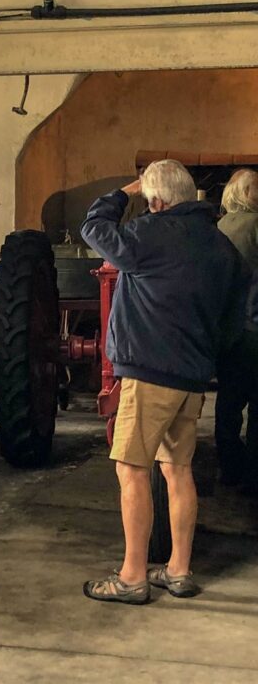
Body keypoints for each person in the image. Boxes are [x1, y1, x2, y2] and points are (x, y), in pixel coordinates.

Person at [79, 159, 248, 604]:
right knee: (178, 471)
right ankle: (178, 569)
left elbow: (93, 229)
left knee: (132, 470)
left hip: (148, 374)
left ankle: (132, 576)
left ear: (155, 200)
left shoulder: (149, 234)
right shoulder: (221, 246)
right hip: (192, 377)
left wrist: (122, 193)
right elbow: (234, 320)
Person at [215, 168, 258, 491]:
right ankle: (253, 475)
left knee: (228, 404)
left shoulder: (219, 227)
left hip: (228, 331)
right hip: (254, 327)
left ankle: (229, 467)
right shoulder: (256, 225)